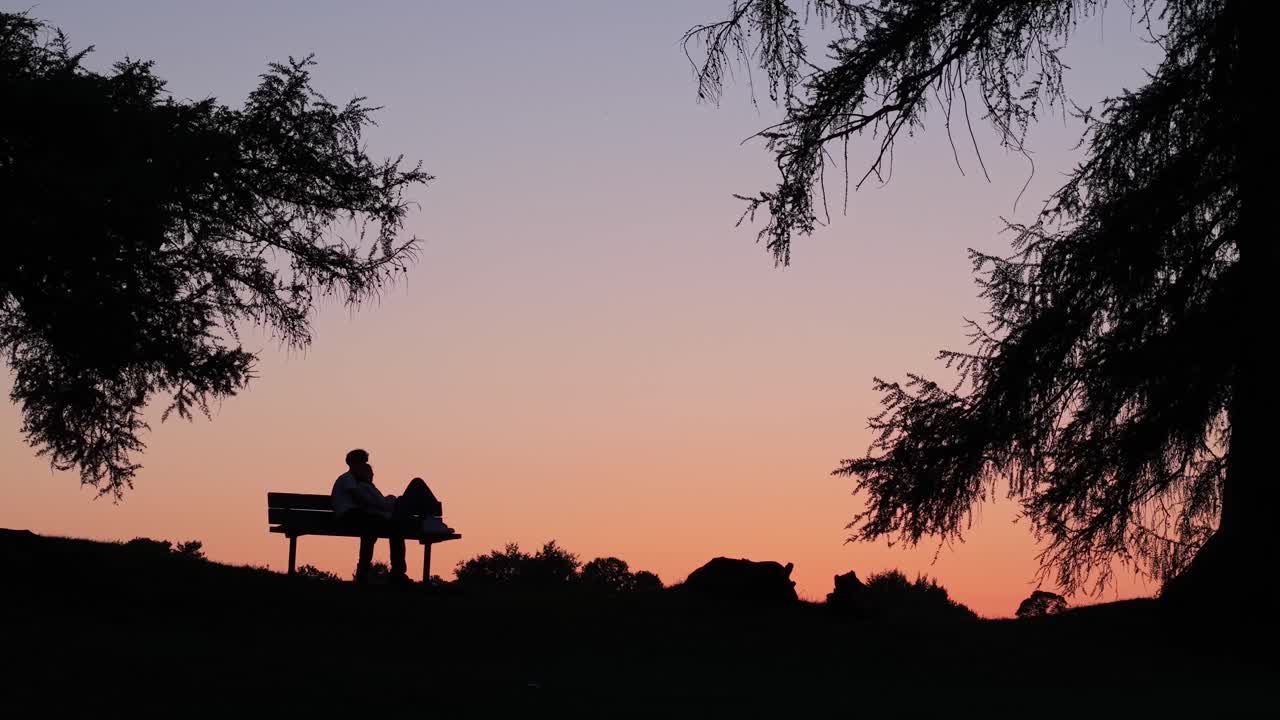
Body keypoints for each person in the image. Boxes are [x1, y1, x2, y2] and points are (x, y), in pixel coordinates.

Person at [331, 448, 454, 584]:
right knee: (416, 486)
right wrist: (390, 504)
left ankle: (429, 521)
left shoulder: (359, 482)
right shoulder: (349, 479)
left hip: (368, 516)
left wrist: (387, 505)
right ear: (354, 464)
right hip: (355, 517)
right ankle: (431, 521)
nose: (365, 466)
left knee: (397, 524)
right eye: (363, 463)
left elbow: (371, 503)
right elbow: (364, 500)